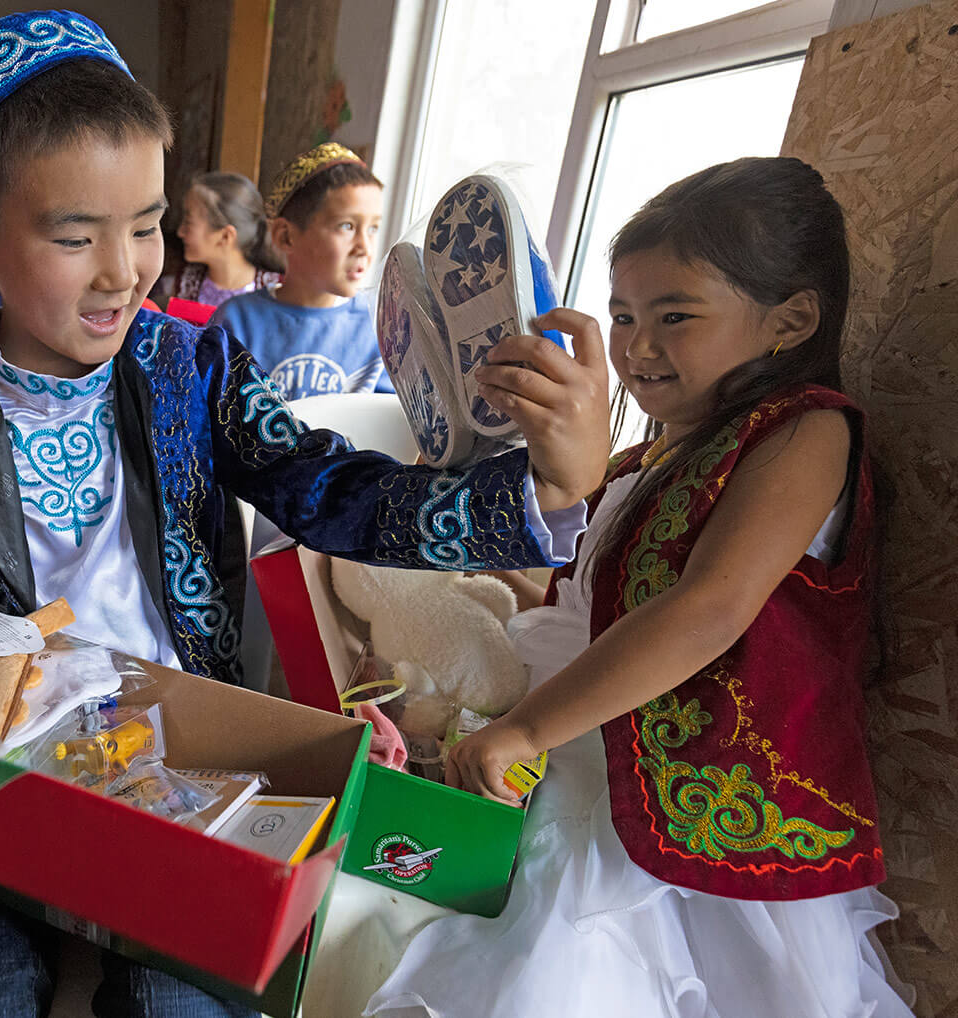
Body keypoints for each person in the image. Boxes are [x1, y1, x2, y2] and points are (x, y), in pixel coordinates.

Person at [0, 11, 613, 1018]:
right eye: (75, 236)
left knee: (187, 1003)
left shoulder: (186, 366)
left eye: (146, 224)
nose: (123, 270)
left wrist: (539, 490)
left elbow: (332, 488)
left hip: (187, 770)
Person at [366, 157, 915, 1018]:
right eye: (623, 315)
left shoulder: (805, 431)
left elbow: (708, 610)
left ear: (792, 319)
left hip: (671, 784)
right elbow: (591, 587)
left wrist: (524, 729)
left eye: (675, 316)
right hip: (577, 741)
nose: (637, 346)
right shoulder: (652, 453)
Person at [211, 143, 394, 399]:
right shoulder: (237, 322)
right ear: (285, 237)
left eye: (373, 228)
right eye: (347, 226)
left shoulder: (381, 328)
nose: (365, 247)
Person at [163, 171, 284, 309]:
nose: (180, 232)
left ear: (225, 236)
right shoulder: (175, 288)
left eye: (188, 222)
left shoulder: (280, 293)